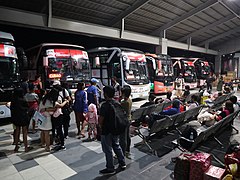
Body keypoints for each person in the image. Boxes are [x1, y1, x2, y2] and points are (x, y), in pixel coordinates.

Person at [99, 86, 126, 175]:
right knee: (116, 145)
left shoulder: (104, 105)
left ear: (106, 94)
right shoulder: (117, 103)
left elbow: (101, 120)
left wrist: (99, 128)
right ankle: (122, 163)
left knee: (108, 149)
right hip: (116, 128)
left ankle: (110, 168)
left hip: (107, 130)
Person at [10, 88, 32, 152]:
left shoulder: (13, 101)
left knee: (17, 132)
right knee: (25, 132)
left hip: (16, 118)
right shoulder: (23, 100)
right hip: (24, 117)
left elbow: (12, 109)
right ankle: (26, 147)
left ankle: (16, 146)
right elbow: (27, 108)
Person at [120, 85, 132, 158]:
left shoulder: (124, 102)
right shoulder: (129, 100)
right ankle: (127, 151)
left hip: (124, 120)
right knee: (127, 136)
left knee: (123, 137)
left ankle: (123, 152)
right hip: (129, 119)